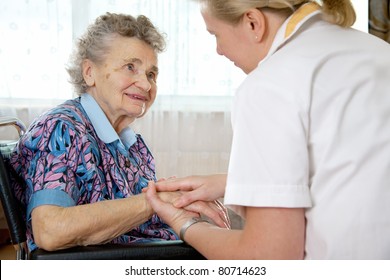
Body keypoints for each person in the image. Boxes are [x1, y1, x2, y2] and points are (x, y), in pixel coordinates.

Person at [146, 0, 390, 259]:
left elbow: (269, 256)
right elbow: (355, 173)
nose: (218, 50)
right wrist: (233, 183)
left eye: (215, 34)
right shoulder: (377, 51)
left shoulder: (270, 85)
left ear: (253, 22)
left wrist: (186, 225)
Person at [9, 12, 229, 253]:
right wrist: (153, 201)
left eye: (151, 74)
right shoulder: (62, 130)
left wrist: (178, 199)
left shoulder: (133, 145)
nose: (146, 85)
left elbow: (139, 220)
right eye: (130, 67)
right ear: (89, 72)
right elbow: (50, 230)